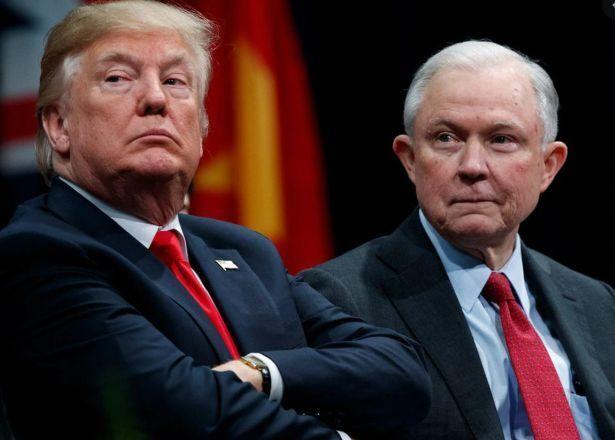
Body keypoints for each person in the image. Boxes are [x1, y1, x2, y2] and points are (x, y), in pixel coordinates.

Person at [0, 1, 431, 438]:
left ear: (202, 127)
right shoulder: (36, 252)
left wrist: (261, 370)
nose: (156, 99)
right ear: (59, 125)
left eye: (175, 81)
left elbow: (402, 370)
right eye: (118, 78)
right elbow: (183, 407)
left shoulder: (243, 250)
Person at [301, 40, 615, 439]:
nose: (472, 166)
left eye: (501, 139)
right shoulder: (338, 299)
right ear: (410, 159)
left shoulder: (597, 304)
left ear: (547, 166)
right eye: (447, 138)